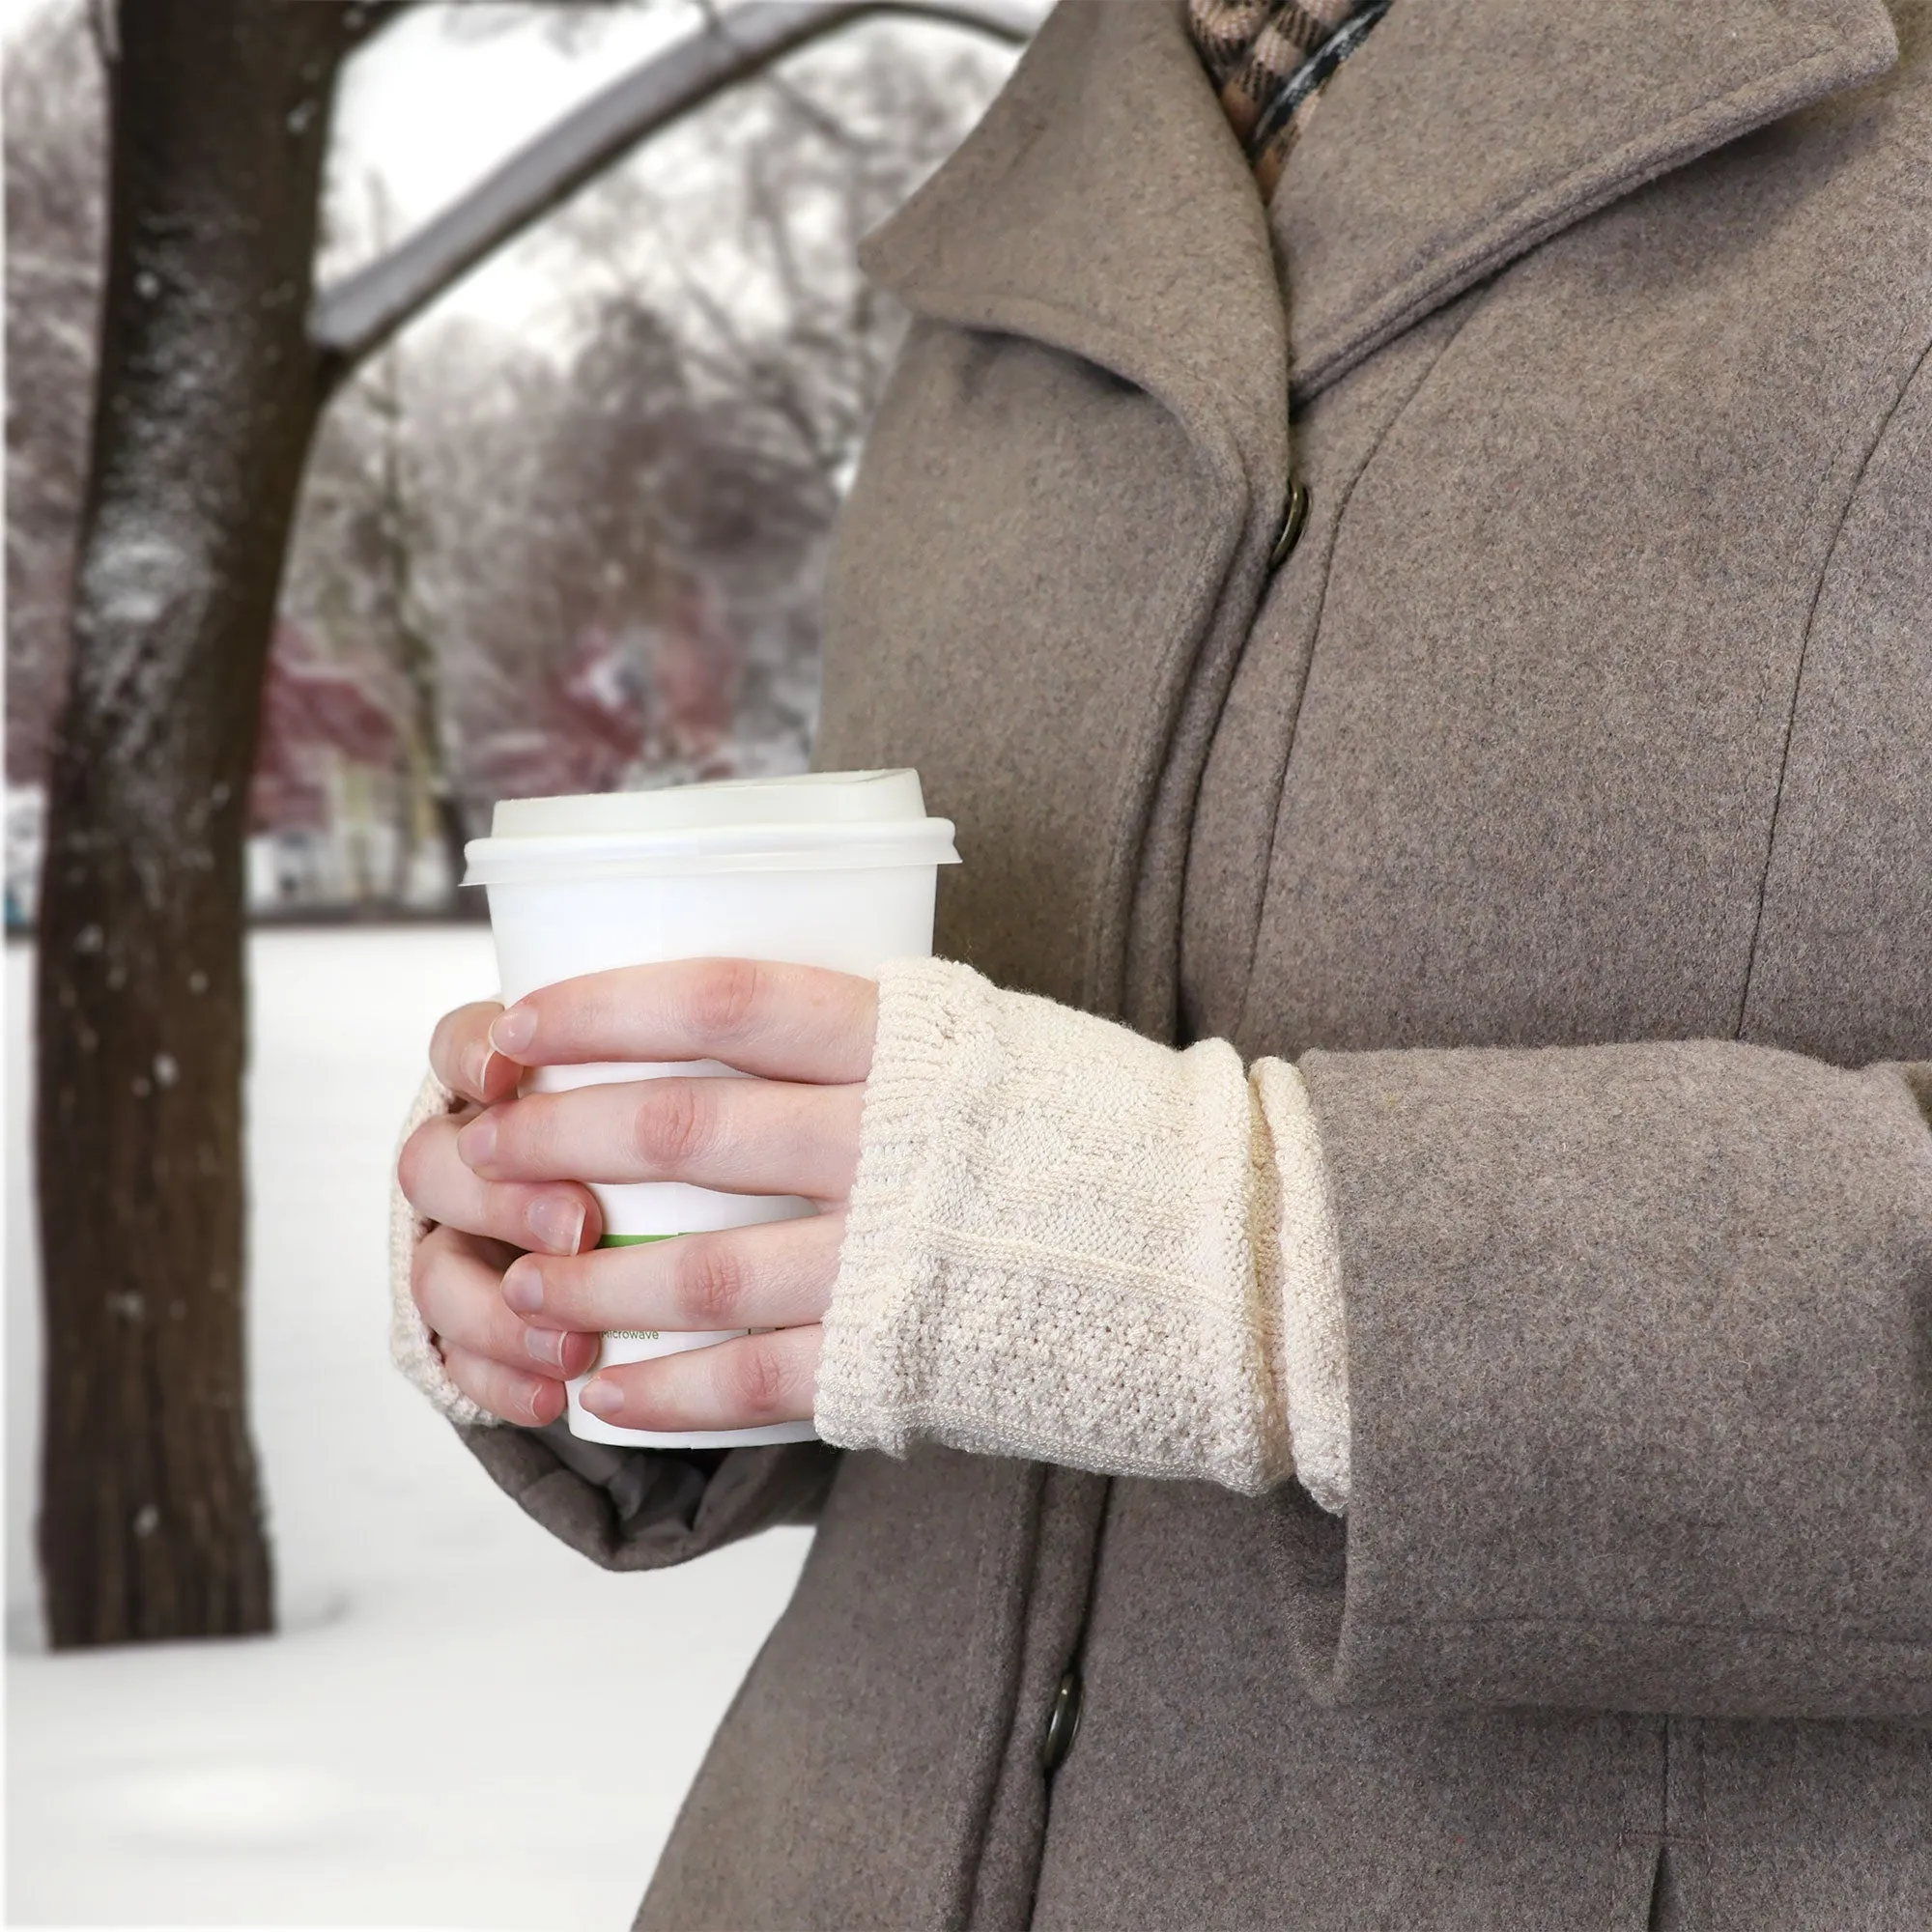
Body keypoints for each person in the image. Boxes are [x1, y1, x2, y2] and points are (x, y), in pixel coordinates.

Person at [391, 0, 1932, 1923]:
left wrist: (1262, 1267)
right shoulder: (1015, 233)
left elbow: (1129, 1240)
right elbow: (984, 1215)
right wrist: (651, 1235)